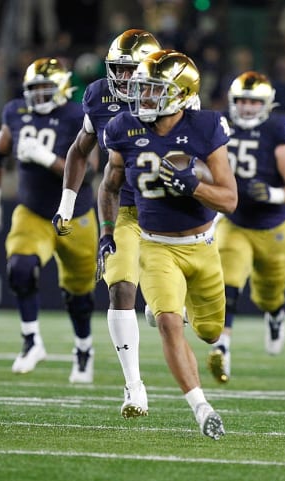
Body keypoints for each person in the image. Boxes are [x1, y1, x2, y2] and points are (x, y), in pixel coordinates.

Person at [99, 49, 237, 439]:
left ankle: (177, 306)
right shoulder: (124, 128)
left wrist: (192, 185)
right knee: (168, 324)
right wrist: (107, 231)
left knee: (210, 332)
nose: (143, 99)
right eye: (142, 90)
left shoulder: (206, 127)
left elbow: (230, 199)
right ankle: (201, 407)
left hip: (202, 245)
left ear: (180, 93)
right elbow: (109, 185)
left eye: (153, 91)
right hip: (155, 246)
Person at [53, 29, 162, 418]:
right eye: (119, 69)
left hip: (171, 210)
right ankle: (134, 387)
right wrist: (67, 202)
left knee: (185, 316)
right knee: (119, 289)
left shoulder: (175, 94)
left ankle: (166, 300)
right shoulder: (100, 96)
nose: (123, 79)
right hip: (125, 208)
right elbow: (80, 149)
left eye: (132, 70)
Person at [0, 57, 99, 383]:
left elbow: (90, 171)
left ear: (62, 88)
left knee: (79, 294)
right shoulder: (16, 112)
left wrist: (48, 160)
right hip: (33, 211)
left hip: (77, 215)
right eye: (35, 89)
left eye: (46, 88)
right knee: (19, 268)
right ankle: (31, 341)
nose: (40, 95)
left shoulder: (77, 115)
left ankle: (84, 348)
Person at [207, 71, 285, 384]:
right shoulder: (220, 124)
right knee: (229, 280)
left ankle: (275, 314)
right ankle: (223, 346)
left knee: (269, 292)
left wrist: (273, 194)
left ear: (267, 104)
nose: (249, 107)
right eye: (242, 100)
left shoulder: (278, 131)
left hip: (272, 226)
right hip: (235, 221)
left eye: (255, 101)